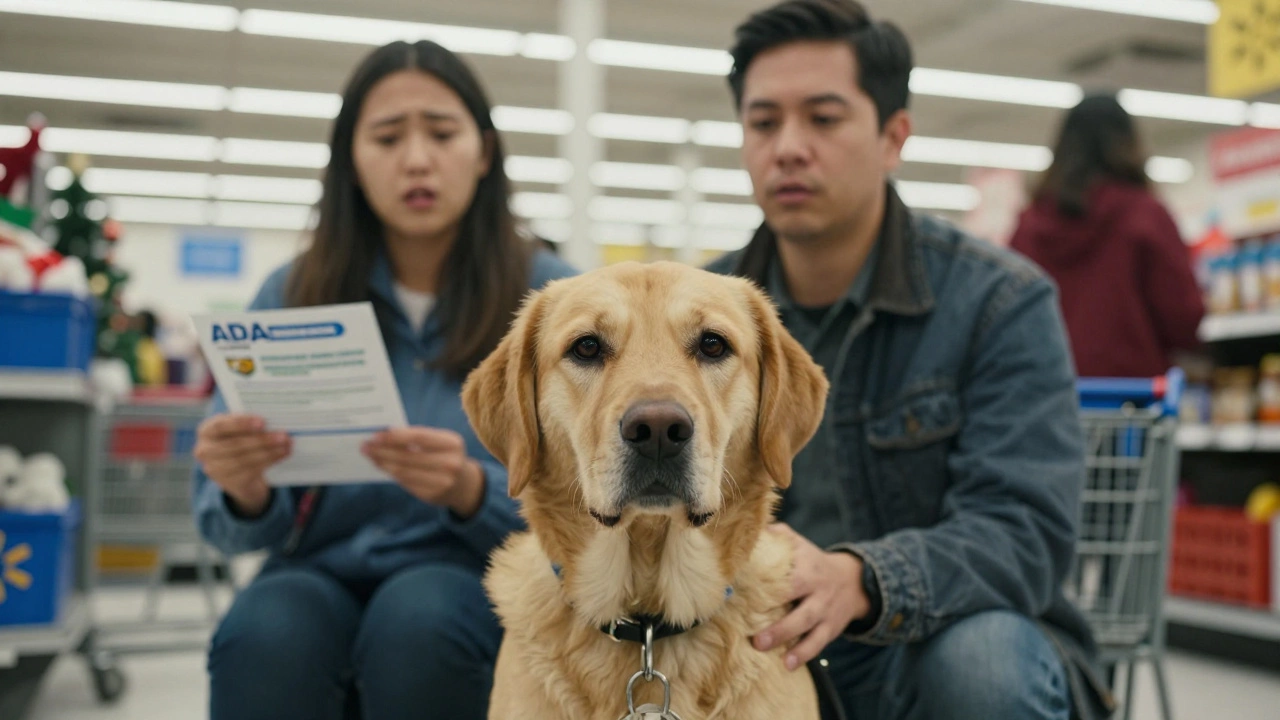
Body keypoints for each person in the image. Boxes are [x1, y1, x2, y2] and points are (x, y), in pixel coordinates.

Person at [705, 2, 1109, 719]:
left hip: (932, 643)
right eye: (764, 123)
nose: (788, 147)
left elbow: (1024, 530)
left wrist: (861, 579)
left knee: (981, 668)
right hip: (765, 640)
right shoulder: (703, 316)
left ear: (894, 137)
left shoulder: (997, 301)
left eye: (823, 119)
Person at [191, 40, 575, 720]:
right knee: (263, 633)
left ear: (484, 153)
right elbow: (227, 530)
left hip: (470, 567)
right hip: (314, 566)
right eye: (388, 137)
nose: (417, 159)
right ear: (352, 162)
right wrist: (244, 489)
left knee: (420, 624)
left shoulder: (547, 297)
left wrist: (468, 490)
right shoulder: (295, 291)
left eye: (442, 133)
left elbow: (591, 491)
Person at [1011, 93, 1205, 377]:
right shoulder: (1146, 216)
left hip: (1048, 394)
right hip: (1131, 397)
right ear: (1128, 144)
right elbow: (1183, 317)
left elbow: (1008, 317)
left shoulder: (1028, 226)